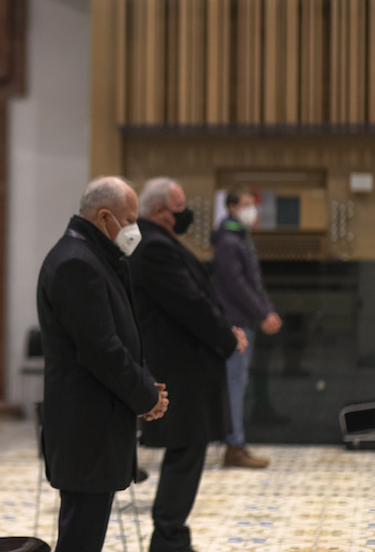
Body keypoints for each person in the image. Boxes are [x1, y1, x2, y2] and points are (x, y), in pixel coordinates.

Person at [37, 177, 169, 552]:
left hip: (98, 423)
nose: (134, 229)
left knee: (87, 535)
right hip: (86, 426)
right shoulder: (76, 263)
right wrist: (145, 397)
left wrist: (146, 385)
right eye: (130, 220)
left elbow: (123, 337)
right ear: (104, 216)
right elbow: (102, 349)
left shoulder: (94, 257)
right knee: (80, 539)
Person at [130, 177, 248, 552]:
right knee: (186, 451)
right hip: (179, 368)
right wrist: (227, 337)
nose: (186, 214)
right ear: (160, 211)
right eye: (179, 207)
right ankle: (168, 539)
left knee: (188, 451)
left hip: (184, 364)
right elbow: (190, 303)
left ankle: (171, 537)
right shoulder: (154, 246)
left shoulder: (158, 242)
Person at [211, 184, 282, 469]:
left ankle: (236, 442)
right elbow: (237, 285)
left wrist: (266, 310)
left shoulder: (240, 238)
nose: (253, 210)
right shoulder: (229, 241)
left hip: (245, 319)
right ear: (231, 208)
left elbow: (254, 282)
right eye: (246, 204)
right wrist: (262, 313)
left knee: (239, 383)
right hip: (235, 322)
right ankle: (234, 445)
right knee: (234, 384)